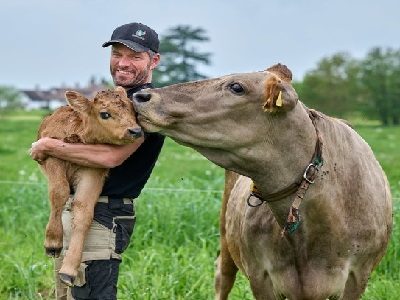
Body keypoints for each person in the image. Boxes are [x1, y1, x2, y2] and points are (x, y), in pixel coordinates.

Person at [30, 22, 164, 300]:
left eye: (135, 57)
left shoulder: (146, 104)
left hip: (104, 216)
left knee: (90, 294)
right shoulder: (115, 98)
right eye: (117, 54)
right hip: (74, 208)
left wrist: (49, 145)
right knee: (68, 295)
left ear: (154, 61)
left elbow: (110, 157)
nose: (123, 63)